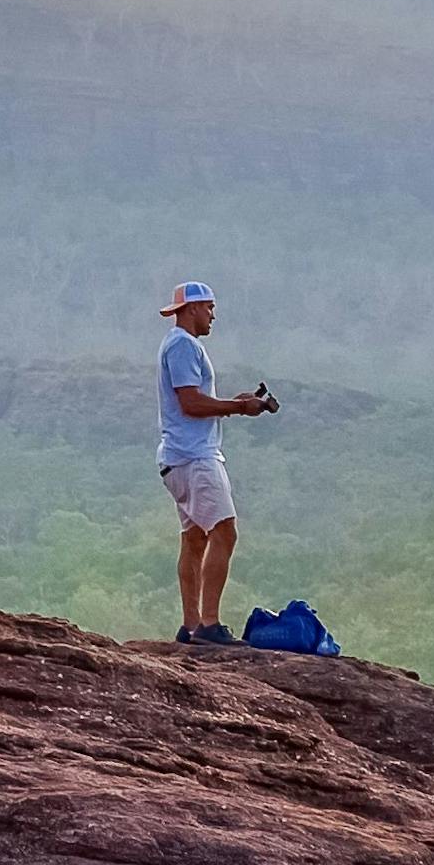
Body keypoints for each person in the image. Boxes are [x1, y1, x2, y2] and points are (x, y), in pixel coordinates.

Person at [152, 275, 279, 642]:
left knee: (194, 538)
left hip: (177, 458)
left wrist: (231, 403)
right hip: (196, 458)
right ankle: (209, 624)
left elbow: (194, 400)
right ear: (191, 309)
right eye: (209, 307)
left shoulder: (177, 344)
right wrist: (239, 407)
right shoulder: (182, 345)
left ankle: (190, 625)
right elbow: (190, 403)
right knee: (224, 530)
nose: (212, 315)